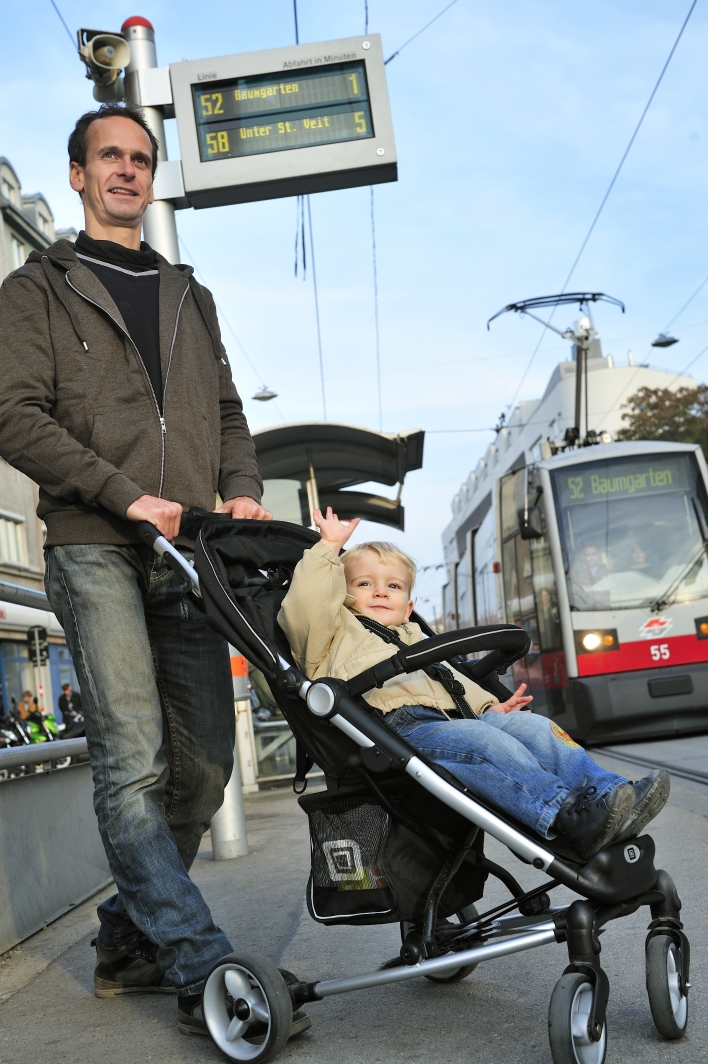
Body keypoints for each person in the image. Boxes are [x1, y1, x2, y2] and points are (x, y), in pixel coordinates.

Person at [0, 102, 302, 1040]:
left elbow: (231, 419)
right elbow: (13, 413)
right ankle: (198, 961)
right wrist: (123, 493)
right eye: (109, 158)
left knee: (207, 761)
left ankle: (126, 940)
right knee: (134, 764)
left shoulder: (187, 293)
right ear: (81, 176)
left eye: (140, 158)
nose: (127, 171)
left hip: (191, 550)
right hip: (95, 543)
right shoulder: (36, 290)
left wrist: (243, 490)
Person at [279, 508, 670, 861]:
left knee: (532, 727)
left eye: (394, 586)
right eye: (364, 584)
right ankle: (565, 816)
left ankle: (611, 794)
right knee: (483, 744)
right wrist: (328, 547)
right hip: (397, 730)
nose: (381, 591)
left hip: (453, 719)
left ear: (409, 606)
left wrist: (488, 707)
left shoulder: (413, 636)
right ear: (341, 595)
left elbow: (451, 678)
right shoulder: (330, 631)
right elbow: (305, 607)